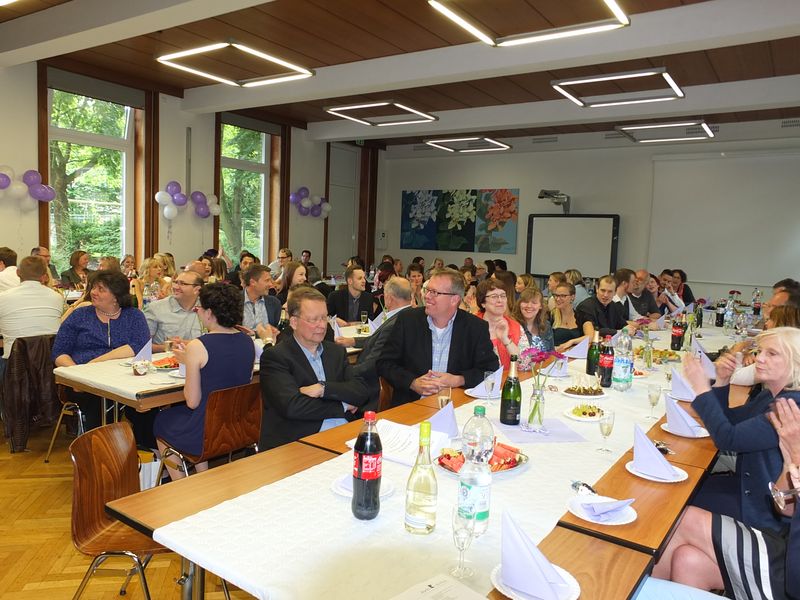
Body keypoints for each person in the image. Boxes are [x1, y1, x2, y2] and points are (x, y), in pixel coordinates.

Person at [650, 396, 800, 599]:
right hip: (784, 546)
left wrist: (797, 457)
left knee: (686, 519)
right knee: (688, 561)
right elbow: (786, 509)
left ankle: (624, 589)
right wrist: (790, 463)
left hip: (790, 575)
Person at [682, 327, 800, 531]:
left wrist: (701, 388)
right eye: (760, 352)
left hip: (763, 509)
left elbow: (728, 439)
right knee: (684, 487)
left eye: (771, 354)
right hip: (749, 487)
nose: (759, 359)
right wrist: (722, 382)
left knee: (677, 502)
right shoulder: (771, 395)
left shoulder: (790, 408)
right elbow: (731, 422)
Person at [153, 283, 255, 480]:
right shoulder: (247, 341)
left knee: (163, 419)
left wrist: (189, 361)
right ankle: (202, 476)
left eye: (199, 307)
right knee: (201, 412)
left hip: (205, 431)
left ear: (209, 313)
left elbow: (192, 401)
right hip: (237, 425)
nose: (197, 311)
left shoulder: (199, 346)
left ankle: (182, 484)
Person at [259, 287, 370, 449]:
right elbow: (293, 407)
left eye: (324, 318)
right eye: (313, 320)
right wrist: (343, 405)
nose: (322, 325)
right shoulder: (276, 357)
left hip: (345, 431)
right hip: (299, 440)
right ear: (294, 322)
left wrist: (323, 388)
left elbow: (360, 391)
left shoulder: (336, 352)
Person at [377, 268, 499, 407]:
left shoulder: (475, 327)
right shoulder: (408, 321)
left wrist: (459, 380)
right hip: (412, 404)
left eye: (434, 292)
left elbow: (490, 369)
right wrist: (412, 382)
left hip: (456, 405)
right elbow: (384, 363)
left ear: (454, 299)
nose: (427, 296)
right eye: (427, 290)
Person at [52, 270, 150, 430]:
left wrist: (95, 363)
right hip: (84, 383)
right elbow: (59, 352)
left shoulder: (133, 316)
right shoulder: (80, 315)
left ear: (116, 296)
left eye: (101, 289)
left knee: (146, 406)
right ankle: (99, 443)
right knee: (98, 402)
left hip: (126, 380)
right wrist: (77, 375)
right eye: (93, 288)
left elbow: (140, 346)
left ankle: (142, 443)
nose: (93, 292)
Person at [338, 277, 413, 409]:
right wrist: (353, 341)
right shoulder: (410, 316)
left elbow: (372, 364)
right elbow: (379, 339)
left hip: (371, 386)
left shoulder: (396, 323)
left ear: (389, 298)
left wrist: (344, 373)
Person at [0, 256, 63, 382]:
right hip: (48, 366)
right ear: (44, 276)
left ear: (18, 273)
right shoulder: (57, 297)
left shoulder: (3, 297)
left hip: (13, 366)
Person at [143, 270, 204, 352]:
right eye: (175, 282)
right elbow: (142, 344)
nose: (176, 287)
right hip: (166, 358)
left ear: (196, 289)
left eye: (182, 284)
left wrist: (186, 343)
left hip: (200, 357)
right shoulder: (155, 308)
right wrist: (166, 347)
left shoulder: (208, 309)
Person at [476, 278, 527, 370]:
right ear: (483, 303)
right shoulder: (471, 326)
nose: (500, 300)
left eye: (503, 296)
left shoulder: (515, 327)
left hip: (508, 377)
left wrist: (505, 339)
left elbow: (525, 365)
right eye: (494, 296)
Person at [242, 265, 281, 342]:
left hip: (267, 346)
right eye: (267, 280)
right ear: (253, 282)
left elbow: (277, 329)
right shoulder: (234, 301)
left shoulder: (274, 303)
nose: (271, 284)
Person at [551, 282, 590, 351]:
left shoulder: (581, 316)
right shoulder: (550, 316)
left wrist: (572, 342)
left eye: (563, 296)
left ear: (572, 297)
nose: (558, 299)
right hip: (556, 354)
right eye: (556, 295)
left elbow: (590, 336)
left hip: (576, 355)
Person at [513, 287, 554, 353]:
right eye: (525, 302)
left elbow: (551, 352)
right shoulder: (513, 326)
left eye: (534, 303)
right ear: (519, 304)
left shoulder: (546, 325)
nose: (529, 306)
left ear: (540, 306)